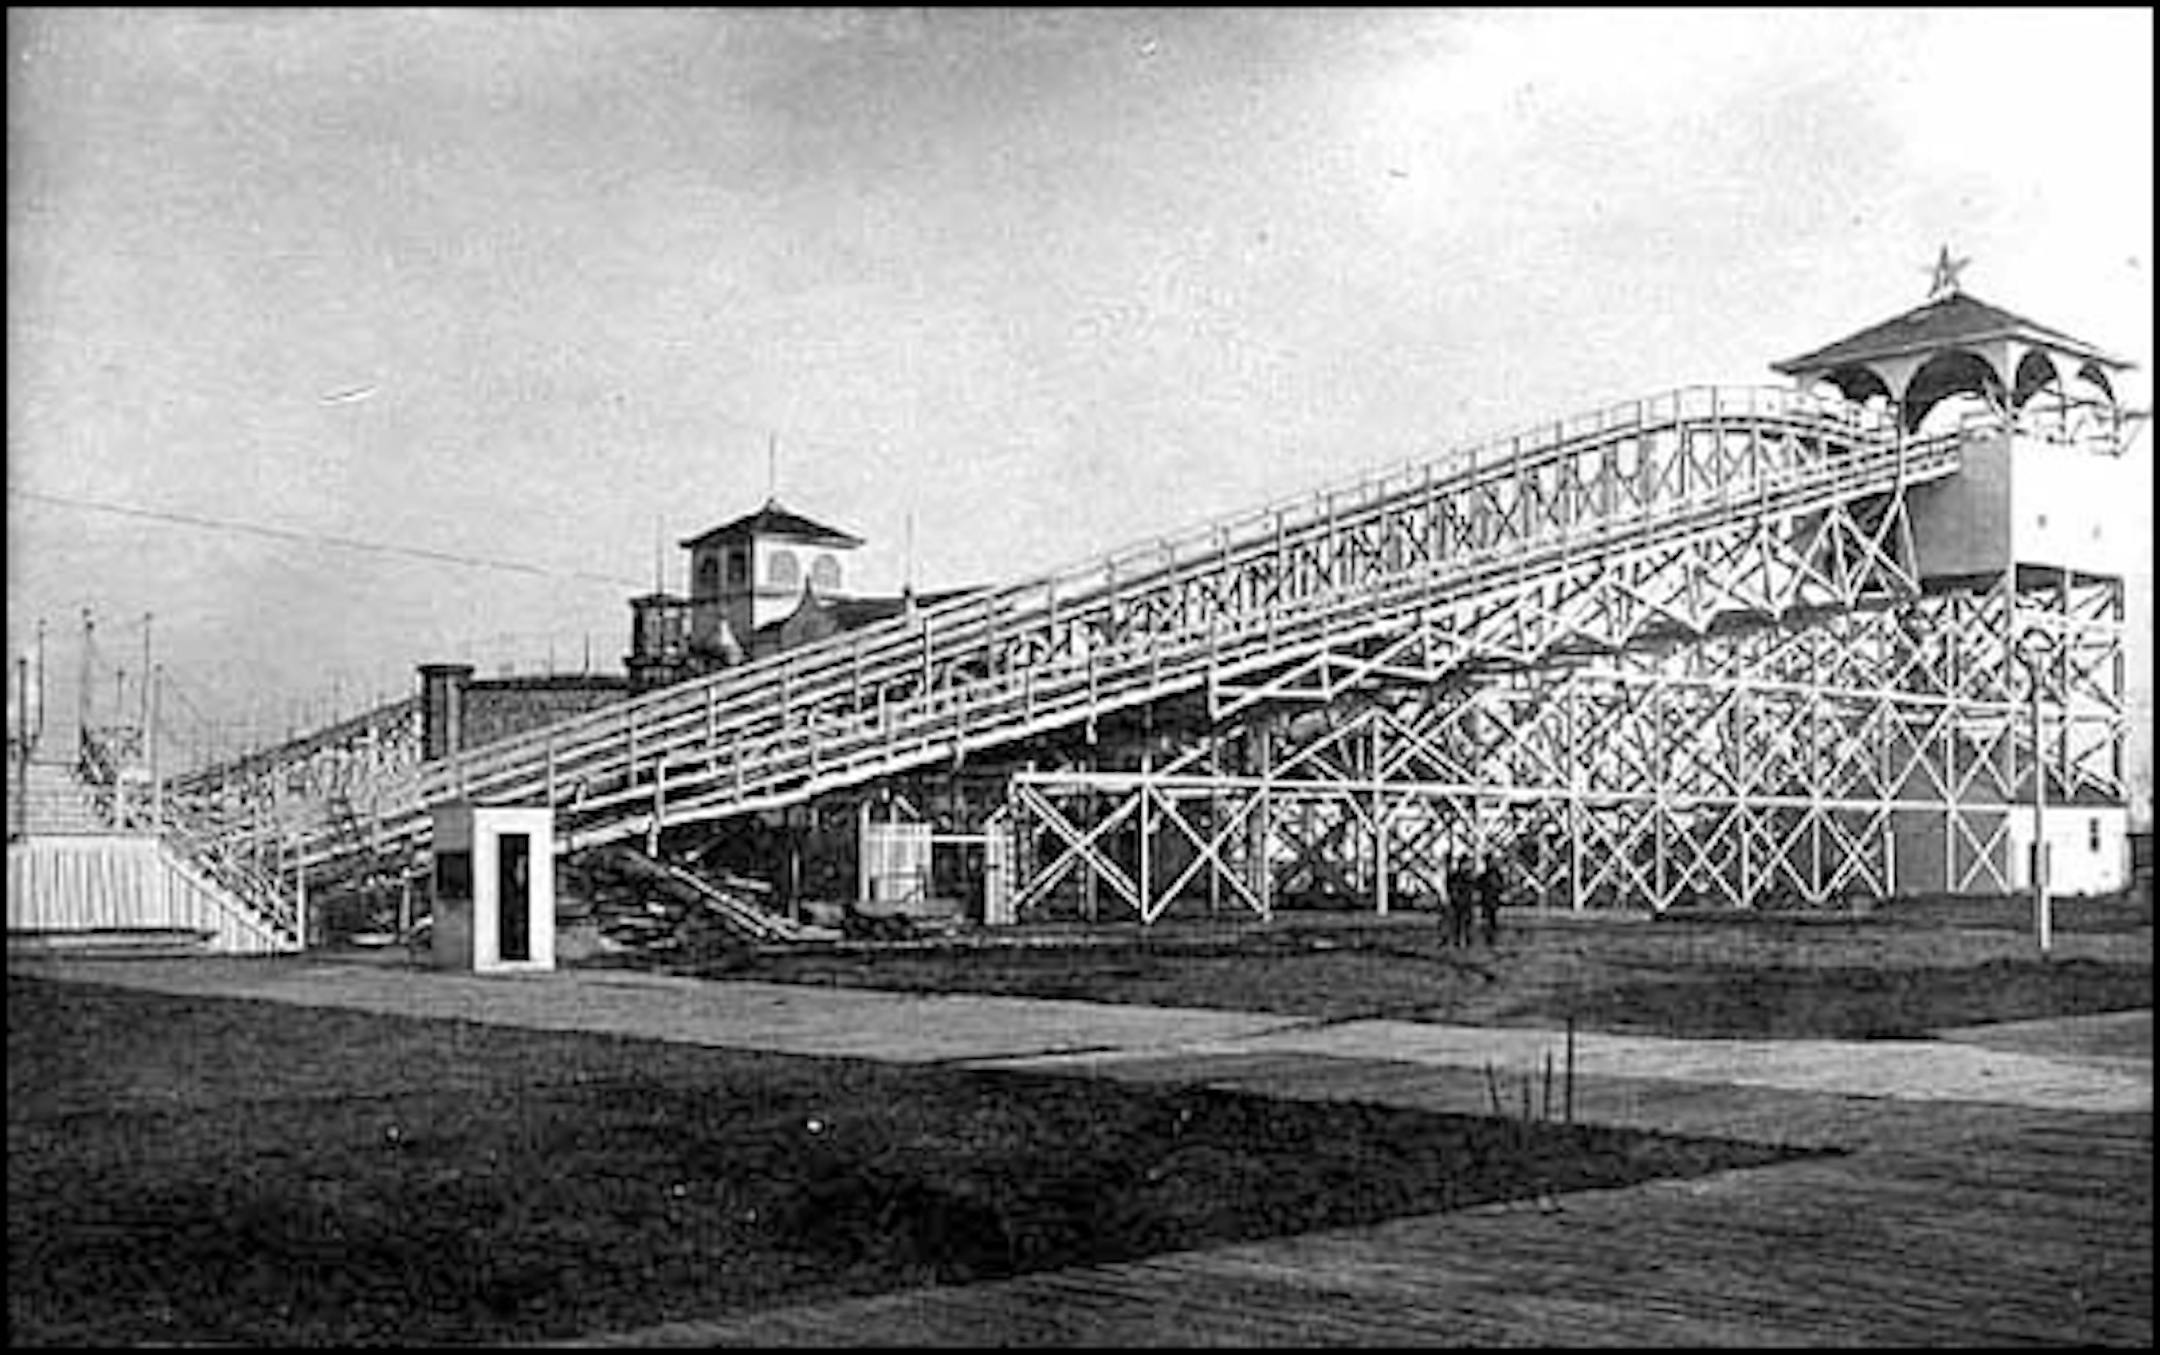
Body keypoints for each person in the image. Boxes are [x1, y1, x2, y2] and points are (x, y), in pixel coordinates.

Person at [1476, 856, 1504, 947]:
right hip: (1490, 899)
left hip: (1489, 899)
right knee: (1490, 918)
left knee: (1490, 918)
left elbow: (1479, 885)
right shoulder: (1492, 874)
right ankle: (1490, 936)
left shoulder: (1488, 875)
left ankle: (1490, 936)